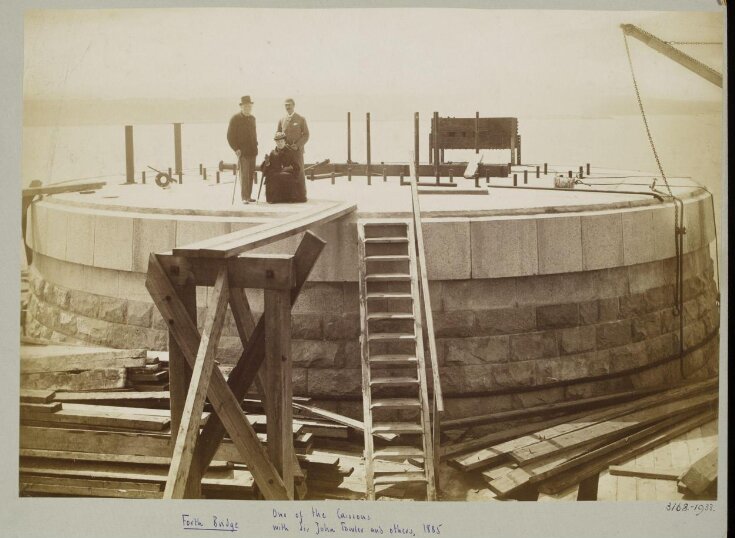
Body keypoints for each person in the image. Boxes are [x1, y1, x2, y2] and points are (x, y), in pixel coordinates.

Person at [226, 95, 258, 203]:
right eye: (245, 106)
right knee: (244, 175)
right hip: (242, 152)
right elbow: (230, 136)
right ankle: (244, 198)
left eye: (249, 106)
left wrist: (256, 144)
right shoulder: (235, 119)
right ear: (241, 107)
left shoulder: (253, 119)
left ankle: (249, 196)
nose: (247, 108)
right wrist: (236, 149)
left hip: (253, 151)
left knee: (250, 175)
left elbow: (254, 134)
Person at [261, 132, 306, 203]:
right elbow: (266, 168)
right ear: (275, 142)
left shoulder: (290, 152)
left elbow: (296, 166)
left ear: (285, 141)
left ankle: (289, 198)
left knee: (287, 176)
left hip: (287, 173)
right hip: (275, 173)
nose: (280, 143)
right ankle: (274, 199)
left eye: (281, 141)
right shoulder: (272, 153)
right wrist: (267, 163)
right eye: (278, 142)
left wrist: (289, 168)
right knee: (272, 177)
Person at [276, 98, 309, 184]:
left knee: (300, 172)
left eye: (289, 105)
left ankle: (302, 195)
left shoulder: (301, 119)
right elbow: (278, 135)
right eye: (286, 105)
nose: (288, 107)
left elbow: (306, 135)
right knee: (287, 173)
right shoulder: (282, 120)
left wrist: (298, 145)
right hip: (285, 152)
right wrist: (280, 146)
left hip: (297, 151)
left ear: (293, 105)